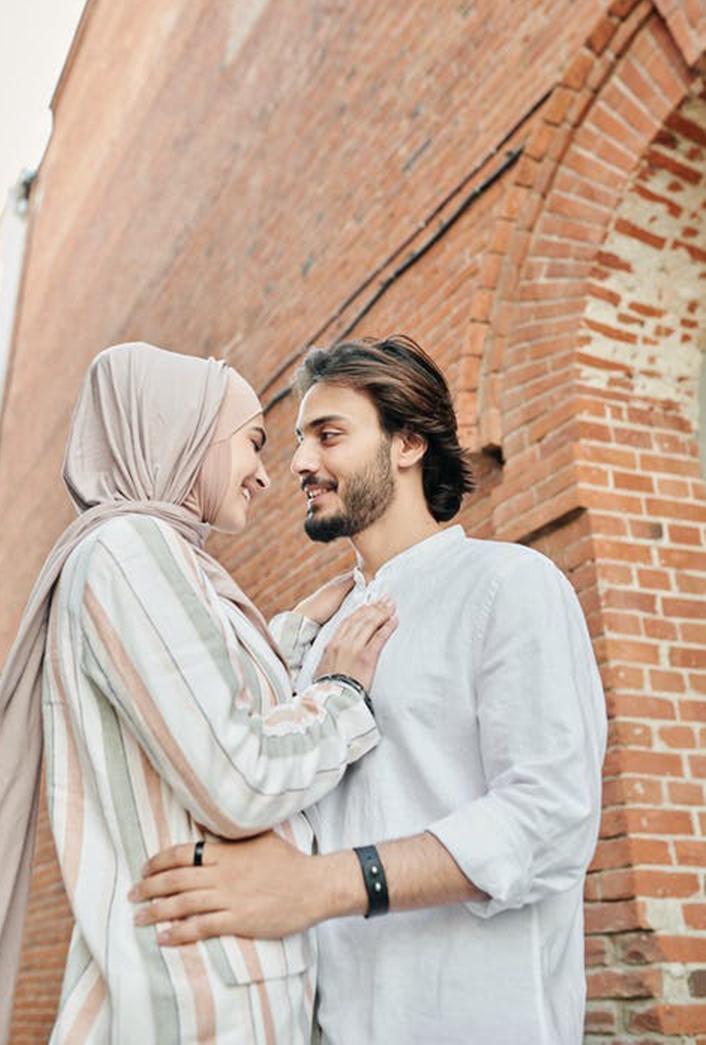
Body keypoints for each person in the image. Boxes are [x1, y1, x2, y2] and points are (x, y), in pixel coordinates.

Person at [131, 336, 608, 1045]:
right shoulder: (324, 636)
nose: (300, 462)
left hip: (478, 1021)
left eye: (329, 435)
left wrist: (319, 886)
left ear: (408, 442)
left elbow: (551, 815)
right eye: (299, 440)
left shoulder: (508, 583)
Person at [0, 342, 398, 1045]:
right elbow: (239, 776)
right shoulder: (132, 549)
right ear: (188, 433)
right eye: (253, 442)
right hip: (194, 1008)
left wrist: (285, 640)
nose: (266, 474)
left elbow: (197, 708)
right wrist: (341, 694)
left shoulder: (150, 557)